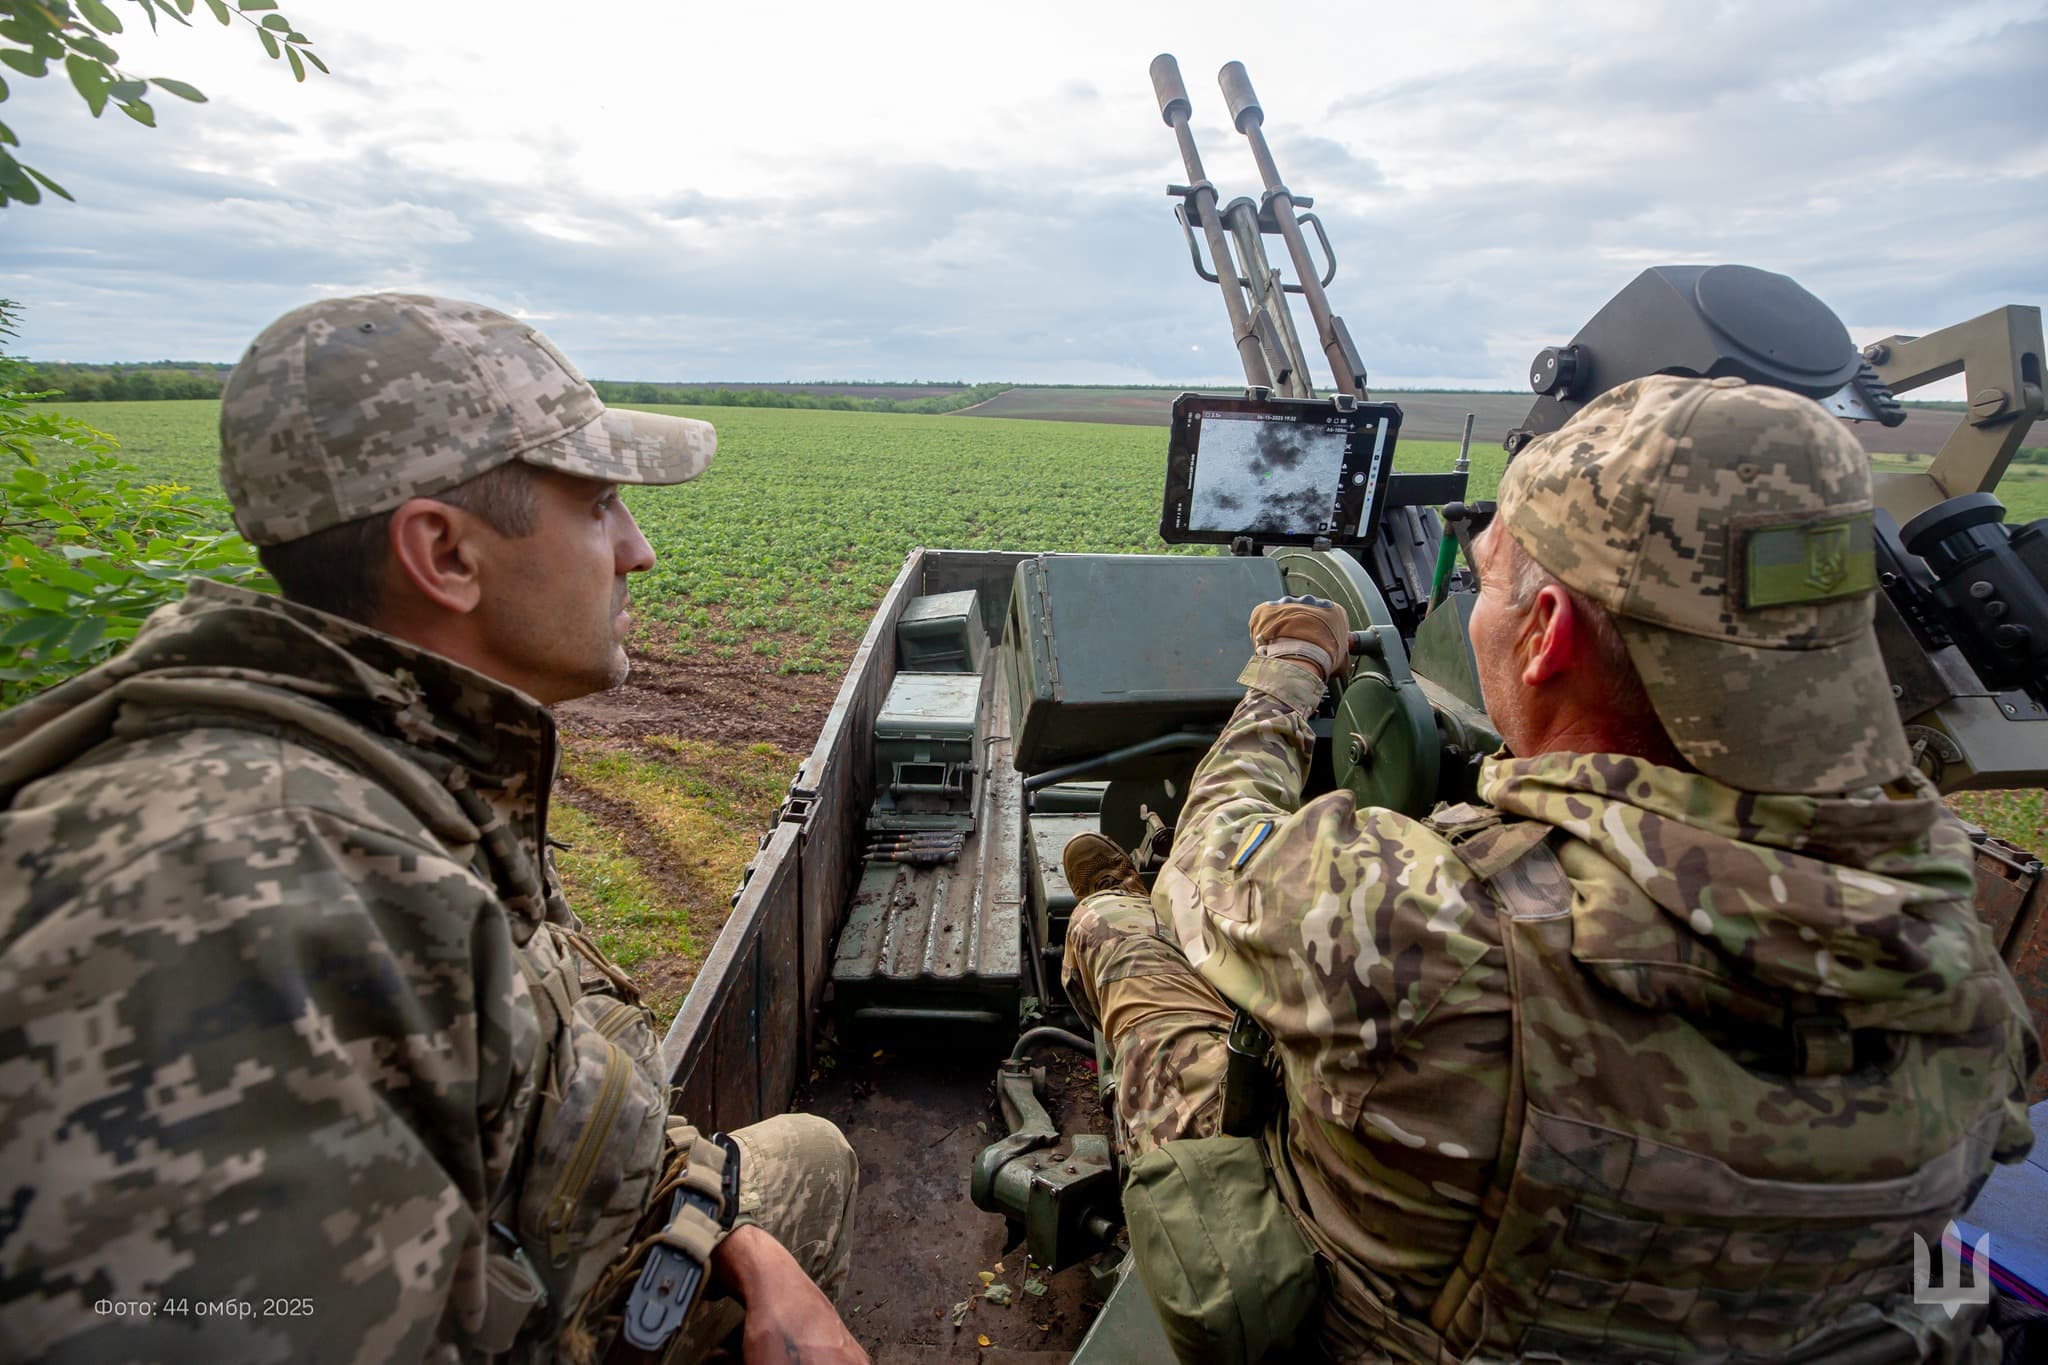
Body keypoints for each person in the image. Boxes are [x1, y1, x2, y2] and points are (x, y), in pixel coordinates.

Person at [1061, 375, 2040, 1363]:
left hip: (1385, 1328)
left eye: (1487, 581)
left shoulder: (1417, 917)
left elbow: (1210, 846)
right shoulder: (1968, 982)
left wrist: (1291, 670)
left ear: (1546, 634)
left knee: (1124, 925)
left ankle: (1105, 923)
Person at [0, 294, 868, 1365]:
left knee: (804, 1163)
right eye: (600, 504)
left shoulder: (404, 770)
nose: (637, 551)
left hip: (542, 1251)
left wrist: (726, 1235)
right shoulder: (245, 892)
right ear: (444, 555)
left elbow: (554, 1078)